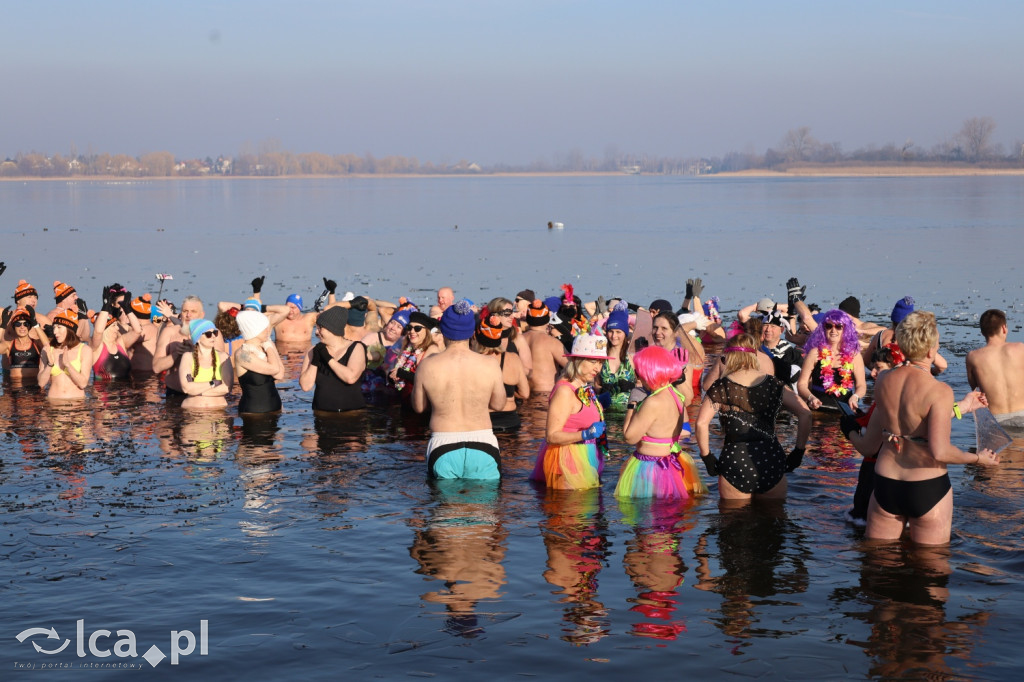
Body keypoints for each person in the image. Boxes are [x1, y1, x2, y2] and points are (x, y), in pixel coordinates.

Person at [846, 311, 999, 544]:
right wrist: (978, 459)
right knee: (931, 570)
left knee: (878, 566)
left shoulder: (884, 380)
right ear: (930, 351)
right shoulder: (940, 391)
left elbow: (870, 446)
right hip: (926, 486)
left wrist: (966, 406)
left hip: (886, 481)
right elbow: (940, 451)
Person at [695, 334, 811, 501]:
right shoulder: (774, 384)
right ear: (753, 356)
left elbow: (701, 424)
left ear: (730, 357)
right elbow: (805, 413)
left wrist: (707, 457)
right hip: (770, 458)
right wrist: (798, 451)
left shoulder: (722, 386)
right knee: (775, 522)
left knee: (731, 522)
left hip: (735, 459)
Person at [412, 300, 506, 479]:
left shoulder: (427, 366)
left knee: (447, 506)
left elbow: (419, 407)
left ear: (443, 331)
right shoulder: (490, 364)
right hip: (483, 441)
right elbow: (499, 404)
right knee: (484, 506)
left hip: (443, 442)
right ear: (472, 332)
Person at [616, 346, 706, 499]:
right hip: (671, 463)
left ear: (648, 372)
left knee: (647, 517)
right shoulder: (676, 395)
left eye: (638, 371)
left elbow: (629, 437)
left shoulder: (653, 402)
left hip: (650, 468)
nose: (637, 376)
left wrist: (632, 404)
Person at [529, 332, 609, 490]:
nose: (598, 368)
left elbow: (576, 415)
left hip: (583, 456)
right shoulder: (565, 391)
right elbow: (552, 436)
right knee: (568, 510)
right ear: (577, 359)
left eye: (601, 362)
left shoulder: (583, 385)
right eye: (593, 361)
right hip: (565, 461)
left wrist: (599, 405)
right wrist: (584, 434)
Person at [299, 306, 367, 413]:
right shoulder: (314, 350)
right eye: (316, 328)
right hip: (322, 415)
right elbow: (305, 386)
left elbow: (350, 377)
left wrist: (327, 358)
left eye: (320, 328)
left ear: (333, 329)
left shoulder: (356, 348)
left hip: (351, 415)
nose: (316, 332)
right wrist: (315, 360)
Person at [797, 309, 867, 412]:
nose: (833, 330)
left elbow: (861, 385)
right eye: (829, 326)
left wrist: (855, 397)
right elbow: (802, 384)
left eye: (838, 327)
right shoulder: (814, 353)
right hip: (818, 408)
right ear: (824, 329)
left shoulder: (854, 355)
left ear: (845, 329)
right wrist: (810, 398)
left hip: (845, 409)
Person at [966, 309, 1024, 428]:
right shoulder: (1020, 349)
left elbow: (975, 389)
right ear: (1004, 328)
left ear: (982, 332)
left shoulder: (973, 357)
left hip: (995, 421)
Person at [471, 314, 529, 432]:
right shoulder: (513, 358)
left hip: (483, 422)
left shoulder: (472, 360)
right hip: (510, 421)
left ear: (476, 337)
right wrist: (509, 391)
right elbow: (525, 393)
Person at [864, 296, 948, 375]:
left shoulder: (880, 335)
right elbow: (942, 366)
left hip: (883, 383)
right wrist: (927, 372)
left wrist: (880, 370)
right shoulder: (914, 340)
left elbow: (866, 361)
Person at [153, 295, 216, 399]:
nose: (188, 315)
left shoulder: (212, 334)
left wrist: (195, 352)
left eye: (193, 311)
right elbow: (156, 367)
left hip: (204, 394)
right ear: (180, 313)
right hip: (174, 393)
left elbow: (220, 365)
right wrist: (176, 353)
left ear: (202, 315)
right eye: (185, 311)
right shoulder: (169, 332)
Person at [234, 310, 285, 415]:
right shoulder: (242, 355)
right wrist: (269, 347)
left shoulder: (266, 347)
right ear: (254, 330)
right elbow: (274, 369)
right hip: (254, 414)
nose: (268, 330)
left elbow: (280, 374)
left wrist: (269, 345)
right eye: (264, 328)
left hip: (275, 411)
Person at [38, 308, 94, 400]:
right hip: (54, 405)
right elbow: (41, 383)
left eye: (59, 327)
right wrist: (49, 365)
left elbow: (83, 384)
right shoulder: (47, 349)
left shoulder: (84, 350)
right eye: (54, 327)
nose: (55, 331)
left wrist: (68, 365)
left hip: (77, 405)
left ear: (69, 329)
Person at [90, 288, 143, 381]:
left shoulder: (121, 342)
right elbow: (98, 331)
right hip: (105, 393)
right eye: (114, 326)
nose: (118, 328)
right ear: (105, 328)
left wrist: (128, 309)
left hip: (127, 392)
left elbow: (137, 331)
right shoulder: (96, 347)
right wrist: (105, 306)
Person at [179, 319, 233, 409]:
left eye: (215, 333)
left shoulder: (223, 357)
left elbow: (226, 388)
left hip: (218, 413)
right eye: (208, 334)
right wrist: (214, 383)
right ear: (197, 339)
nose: (213, 337)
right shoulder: (188, 357)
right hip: (192, 413)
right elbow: (186, 388)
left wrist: (198, 392)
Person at [388, 311, 441, 403]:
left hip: (422, 404)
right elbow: (399, 374)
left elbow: (429, 380)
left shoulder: (432, 350)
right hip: (404, 400)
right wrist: (392, 377)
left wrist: (402, 374)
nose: (412, 331)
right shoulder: (406, 347)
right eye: (409, 327)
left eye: (417, 328)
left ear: (427, 331)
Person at [596, 303, 636, 413]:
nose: (614, 336)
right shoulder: (601, 356)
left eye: (618, 332)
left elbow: (643, 383)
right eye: (611, 331)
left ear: (625, 333)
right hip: (606, 411)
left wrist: (631, 386)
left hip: (627, 412)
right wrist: (602, 389)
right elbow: (596, 384)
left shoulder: (632, 356)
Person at [520, 300, 567, 393]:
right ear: (547, 319)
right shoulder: (552, 342)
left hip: (523, 394)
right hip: (545, 394)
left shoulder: (517, 340)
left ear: (528, 320)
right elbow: (572, 367)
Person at [486, 296, 533, 376]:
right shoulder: (483, 337)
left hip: (511, 385)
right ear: (495, 315)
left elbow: (528, 371)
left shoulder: (517, 338)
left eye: (512, 312)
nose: (512, 317)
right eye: (507, 313)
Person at [1, 306, 43, 385]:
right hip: (15, 387)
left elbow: (48, 346)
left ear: (29, 326)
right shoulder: (9, 345)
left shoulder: (37, 344)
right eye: (18, 324)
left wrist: (36, 324)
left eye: (26, 324)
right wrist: (3, 326)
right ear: (14, 327)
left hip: (34, 387)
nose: (22, 327)